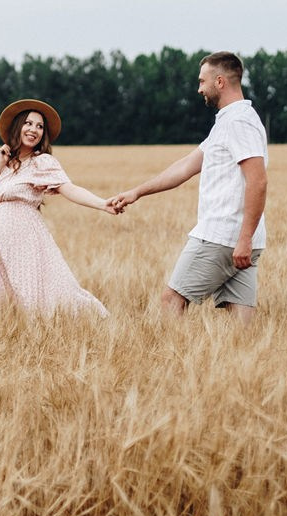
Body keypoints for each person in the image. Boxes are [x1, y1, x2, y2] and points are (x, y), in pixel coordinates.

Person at [111, 52, 268, 324]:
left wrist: (243, 239)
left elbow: (258, 180)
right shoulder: (228, 121)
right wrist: (137, 192)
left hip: (222, 235)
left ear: (219, 81)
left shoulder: (239, 122)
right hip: (239, 238)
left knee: (171, 300)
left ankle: (169, 362)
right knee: (241, 319)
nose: (199, 89)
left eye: (202, 81)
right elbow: (185, 167)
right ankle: (245, 366)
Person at [0, 98, 117, 315]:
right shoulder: (0, 165)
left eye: (40, 127)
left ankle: (84, 323)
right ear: (17, 127)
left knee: (35, 295)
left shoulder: (42, 162)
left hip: (26, 240)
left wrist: (102, 204)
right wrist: (0, 163)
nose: (34, 130)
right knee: (10, 305)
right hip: (3, 248)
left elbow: (69, 189)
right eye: (28, 123)